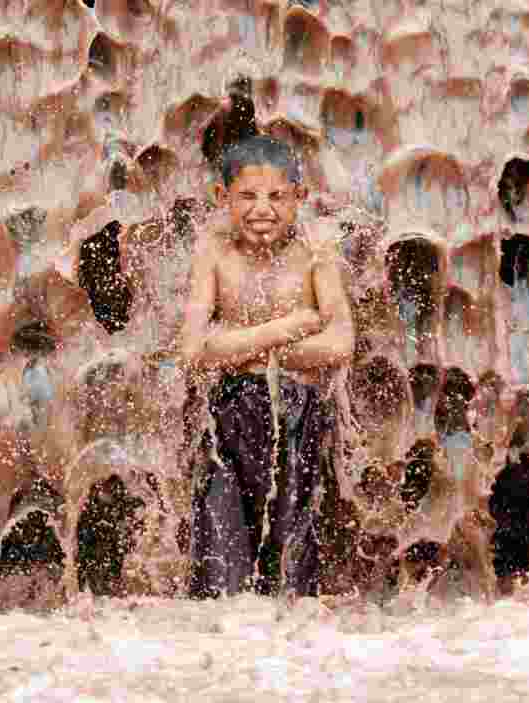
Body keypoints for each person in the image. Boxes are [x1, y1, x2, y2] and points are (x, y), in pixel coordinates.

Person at [180, 135, 355, 598]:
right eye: (247, 196)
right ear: (222, 199)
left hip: (298, 416)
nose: (263, 209)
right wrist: (284, 329)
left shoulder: (316, 254)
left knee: (292, 572)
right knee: (219, 572)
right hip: (227, 419)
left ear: (300, 197)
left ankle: (288, 662)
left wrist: (247, 352)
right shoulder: (214, 253)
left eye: (277, 196)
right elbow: (194, 349)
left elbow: (340, 342)